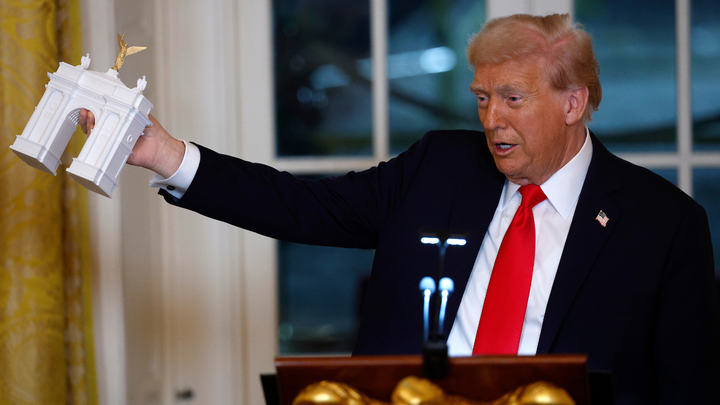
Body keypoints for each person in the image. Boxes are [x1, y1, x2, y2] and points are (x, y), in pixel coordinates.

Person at [81, 13, 720, 404]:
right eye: (481, 98)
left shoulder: (663, 225)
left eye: (513, 99)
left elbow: (687, 391)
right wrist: (166, 154)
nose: (491, 119)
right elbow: (303, 205)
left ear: (574, 102)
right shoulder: (441, 166)